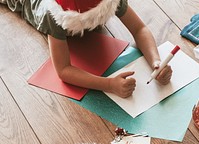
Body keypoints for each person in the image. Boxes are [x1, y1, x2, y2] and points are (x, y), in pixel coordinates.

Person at [0, 0, 172, 98]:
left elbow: (139, 29)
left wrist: (156, 61)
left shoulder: (110, 1)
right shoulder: (53, 15)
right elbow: (63, 70)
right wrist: (109, 84)